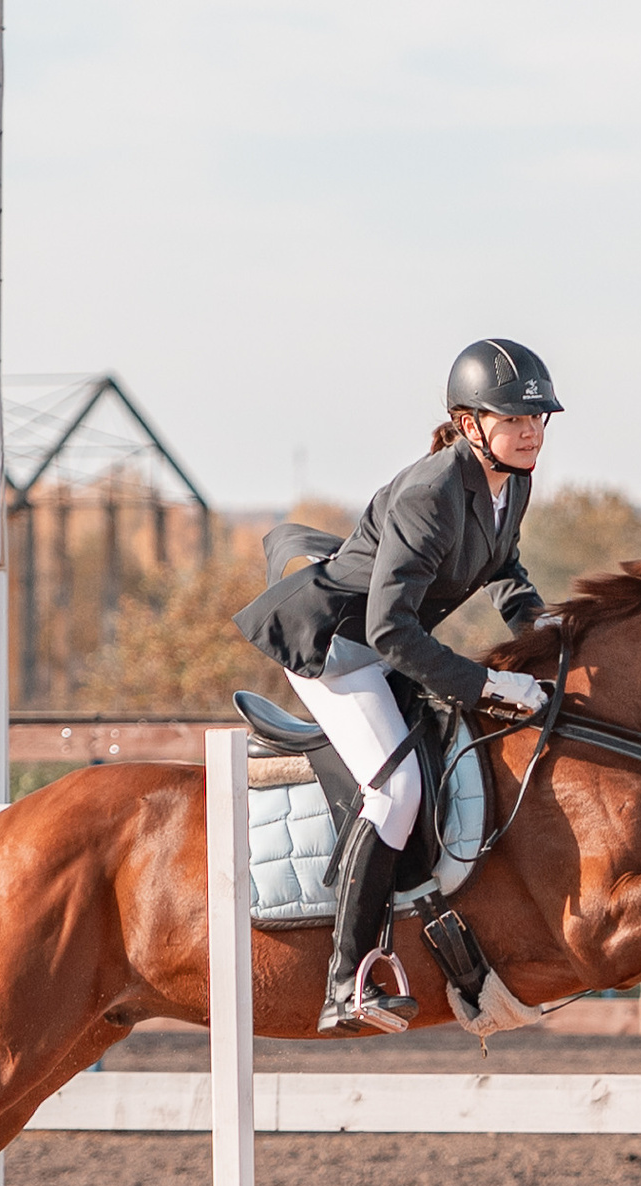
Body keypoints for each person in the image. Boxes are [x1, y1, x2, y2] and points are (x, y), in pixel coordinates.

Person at [233, 338, 561, 1035]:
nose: (531, 431)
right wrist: (485, 684)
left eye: (538, 419)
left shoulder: (513, 481)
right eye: (515, 419)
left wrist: (545, 629)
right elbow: (389, 632)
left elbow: (503, 568)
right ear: (471, 424)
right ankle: (345, 978)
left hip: (385, 639)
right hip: (337, 644)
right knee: (397, 788)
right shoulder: (430, 494)